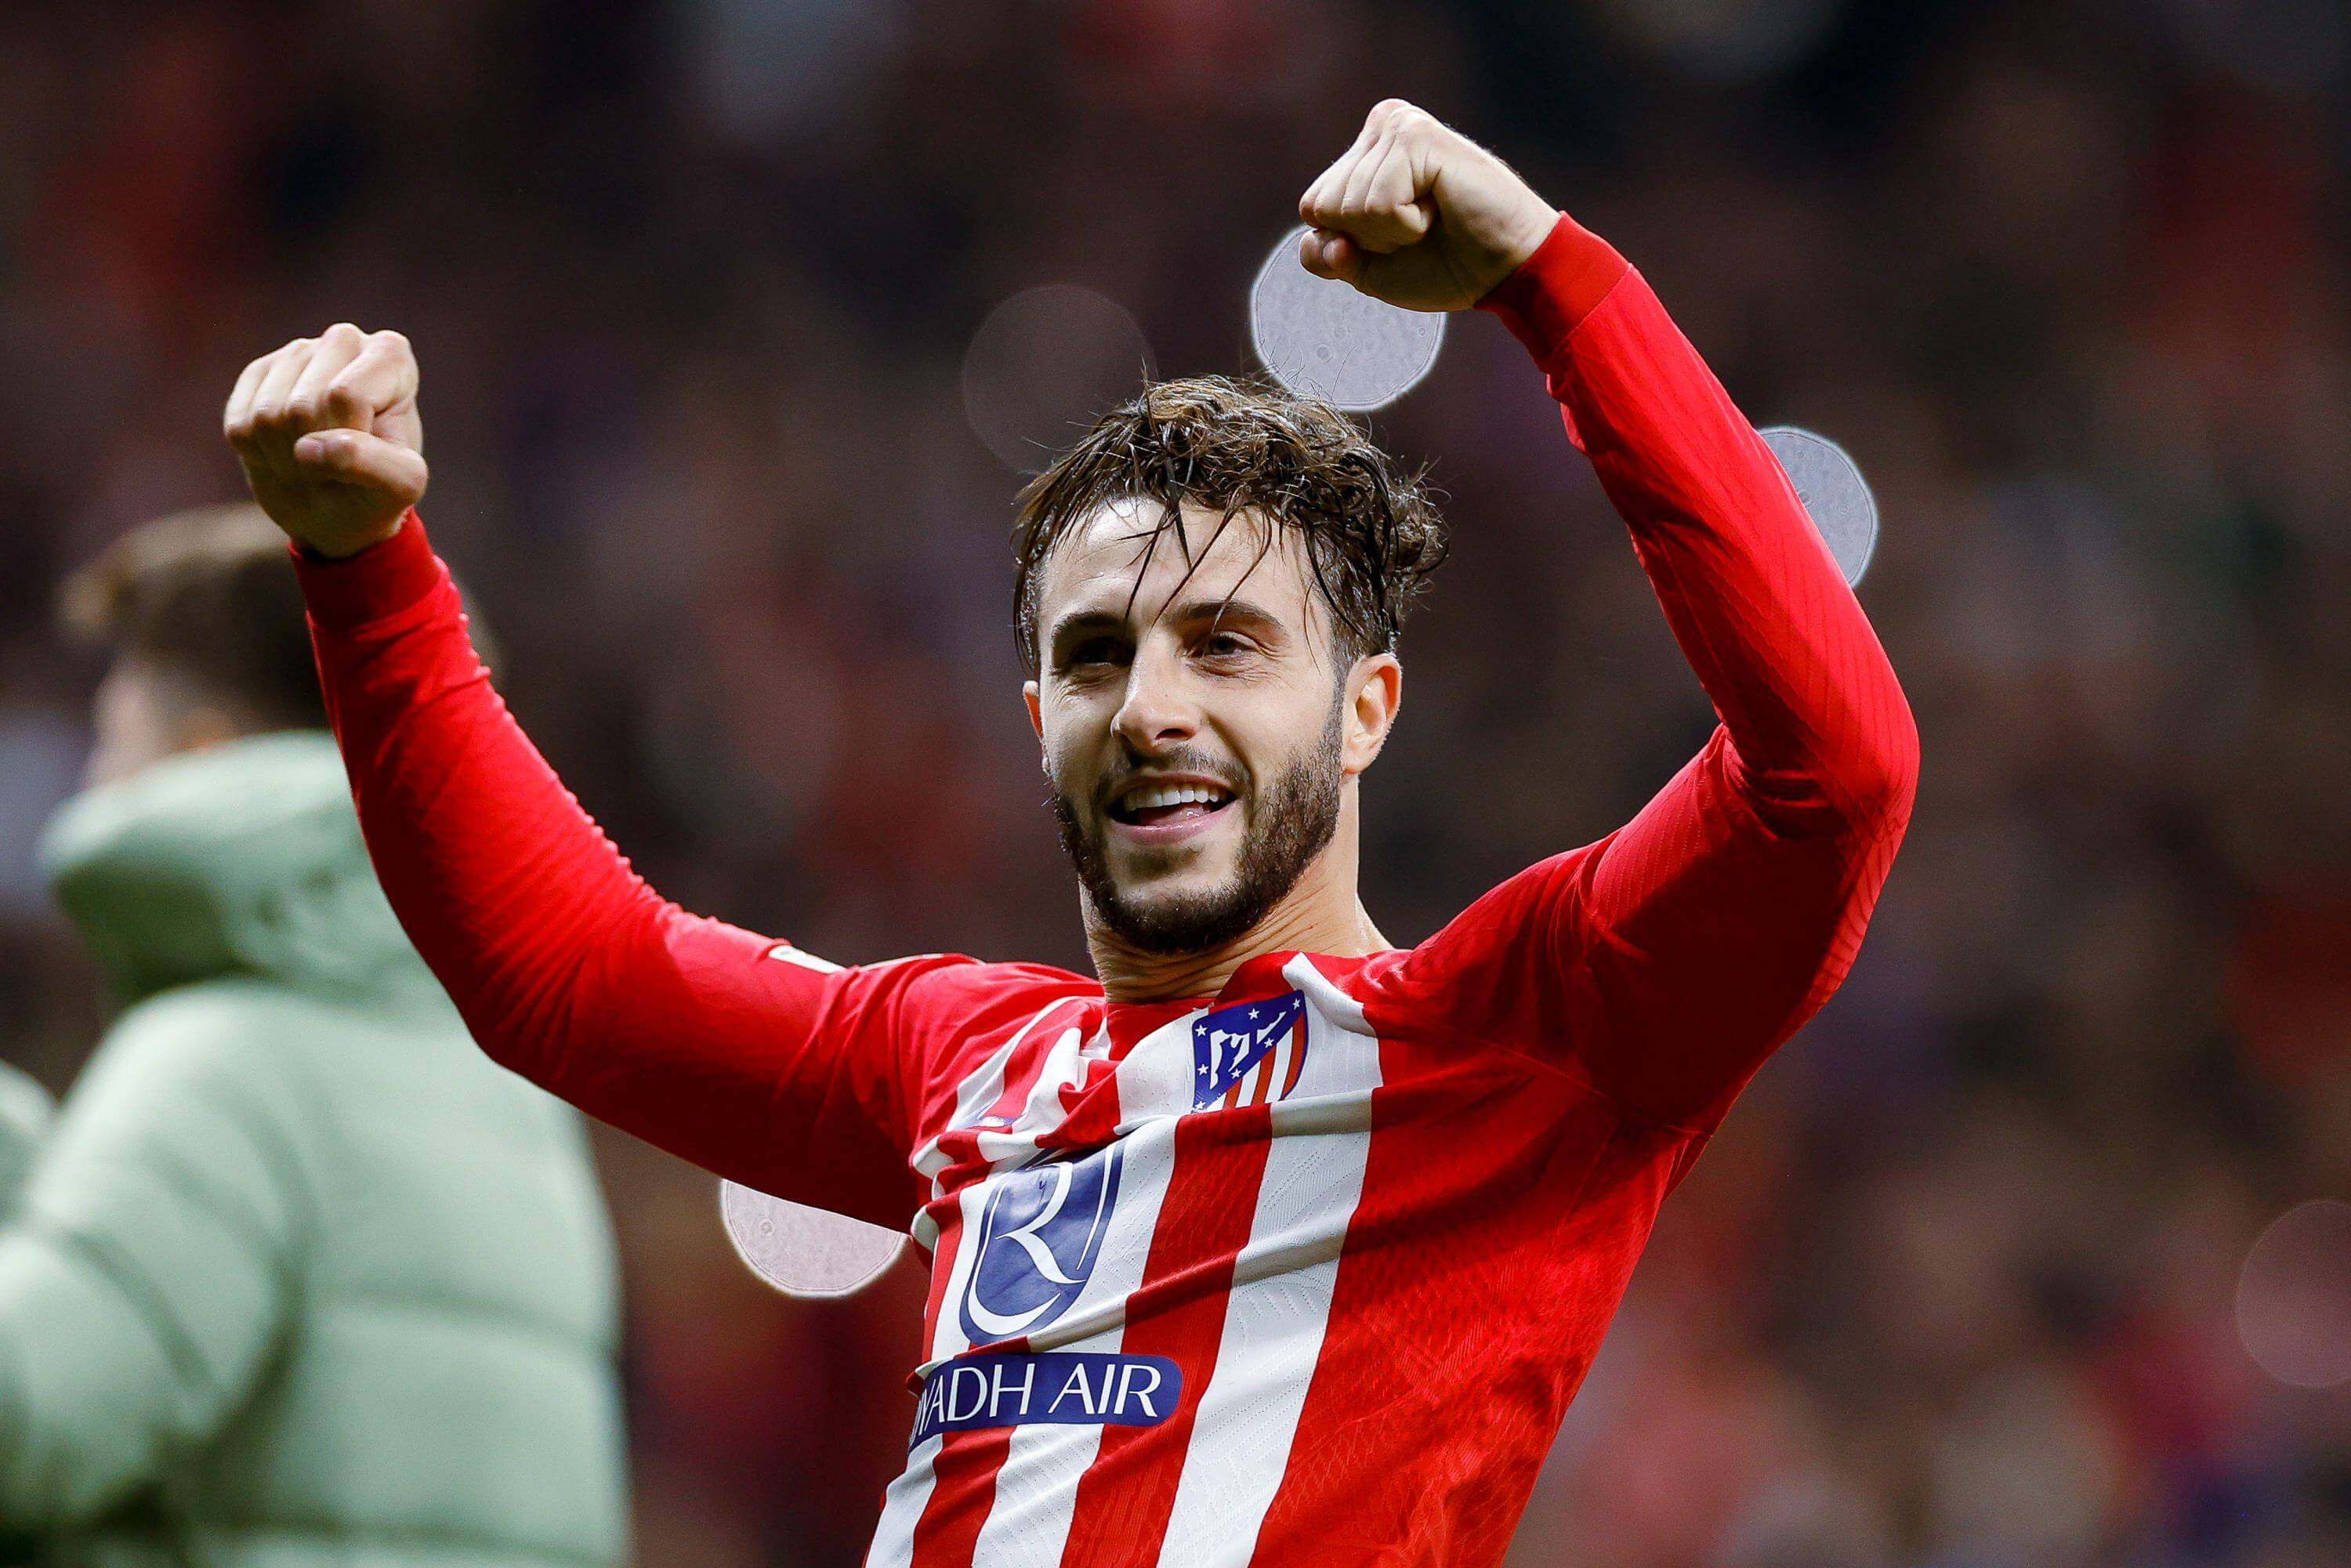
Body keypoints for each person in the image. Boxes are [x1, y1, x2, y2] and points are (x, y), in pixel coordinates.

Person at [224, 99, 1918, 1567]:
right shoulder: (963, 1058)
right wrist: (365, 565)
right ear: (1041, 721)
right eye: (1097, 655)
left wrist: (1559, 285)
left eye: (1228, 645)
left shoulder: (1519, 1040)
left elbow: (1830, 773)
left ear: (1367, 712)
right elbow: (568, 976)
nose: (1154, 704)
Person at [0, 505, 629, 1568]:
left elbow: (31, 1419)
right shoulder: (512, 1088)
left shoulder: (225, 1064)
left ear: (194, 756)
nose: (94, 780)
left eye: (112, 742)